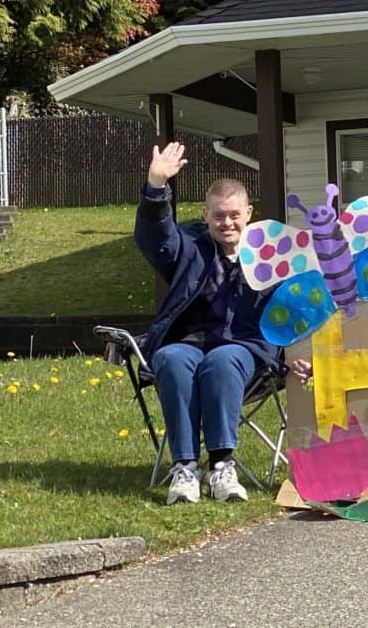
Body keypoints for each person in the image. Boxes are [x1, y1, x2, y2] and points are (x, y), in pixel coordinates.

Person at [135, 142, 285, 505]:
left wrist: (298, 351)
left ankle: (221, 465)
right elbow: (157, 239)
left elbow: (294, 309)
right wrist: (156, 187)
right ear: (205, 215)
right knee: (170, 358)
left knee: (222, 360)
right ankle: (185, 467)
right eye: (218, 216)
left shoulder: (272, 255)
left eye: (234, 215)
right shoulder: (190, 247)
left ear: (248, 213)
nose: (227, 223)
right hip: (189, 341)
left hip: (244, 349)